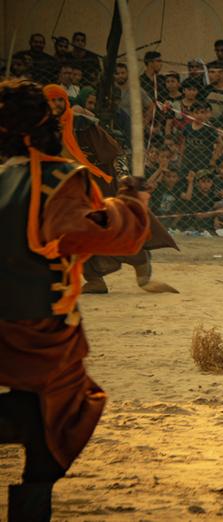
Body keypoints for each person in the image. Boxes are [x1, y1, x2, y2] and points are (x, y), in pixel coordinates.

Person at [0, 79, 152, 520]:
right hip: (40, 332)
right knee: (67, 415)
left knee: (41, 414)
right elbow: (106, 233)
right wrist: (132, 202)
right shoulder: (59, 180)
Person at [44, 85, 179, 295]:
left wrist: (123, 177)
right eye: (51, 100)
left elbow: (116, 153)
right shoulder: (43, 131)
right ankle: (94, 279)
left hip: (100, 186)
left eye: (59, 99)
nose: (56, 104)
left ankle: (141, 267)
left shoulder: (82, 125)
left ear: (66, 101)